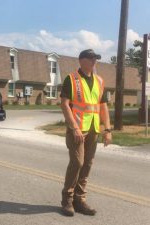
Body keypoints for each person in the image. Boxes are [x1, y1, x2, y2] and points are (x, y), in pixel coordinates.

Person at [60, 49, 112, 216]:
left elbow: (103, 106)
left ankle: (79, 199)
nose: (94, 61)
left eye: (95, 59)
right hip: (77, 129)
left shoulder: (99, 80)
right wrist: (74, 127)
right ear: (81, 60)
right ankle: (67, 199)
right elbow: (65, 104)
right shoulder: (72, 79)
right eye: (91, 59)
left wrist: (108, 129)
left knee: (88, 164)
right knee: (77, 162)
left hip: (93, 128)